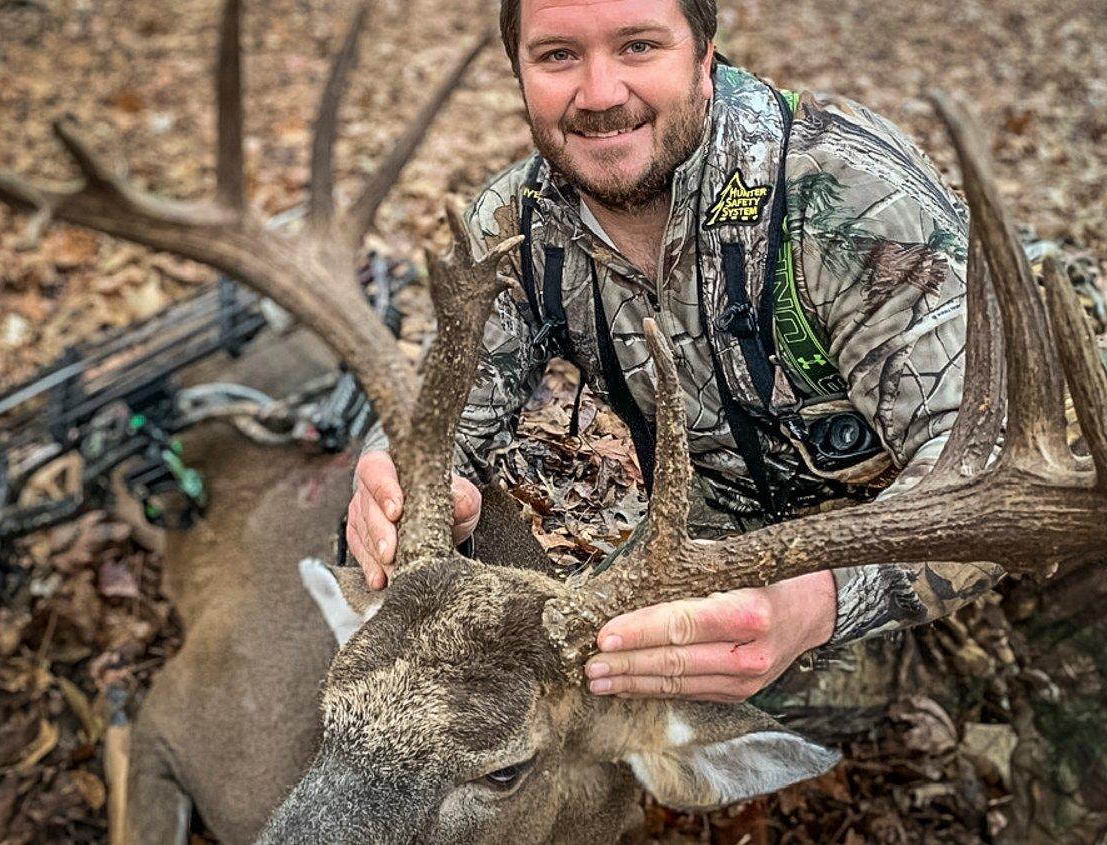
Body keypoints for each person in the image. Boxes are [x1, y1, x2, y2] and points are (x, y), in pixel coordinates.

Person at [346, 0, 1003, 706]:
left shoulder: (846, 198)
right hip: (730, 534)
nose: (599, 95)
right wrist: (403, 482)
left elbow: (980, 464)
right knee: (591, 684)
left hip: (970, 539)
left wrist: (817, 603)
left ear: (704, 55)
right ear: (519, 73)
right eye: (558, 55)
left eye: (638, 46)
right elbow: (443, 428)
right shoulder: (516, 225)